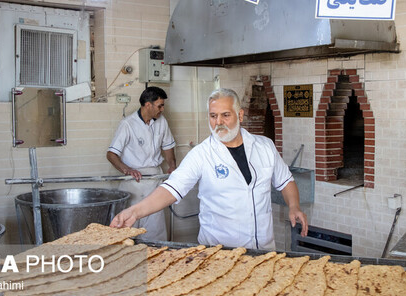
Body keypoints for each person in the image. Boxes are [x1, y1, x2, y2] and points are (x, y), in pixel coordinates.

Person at [111, 88, 308, 250]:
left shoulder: (264, 146)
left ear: (240, 115)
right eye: (213, 116)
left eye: (225, 115)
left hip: (263, 249)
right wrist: (135, 212)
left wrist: (294, 205)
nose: (218, 122)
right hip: (219, 252)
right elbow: (172, 188)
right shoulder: (202, 154)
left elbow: (285, 180)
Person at [107, 86, 176, 241]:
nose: (162, 109)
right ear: (147, 105)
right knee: (130, 228)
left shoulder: (162, 122)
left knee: (156, 228)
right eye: (159, 106)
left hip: (154, 180)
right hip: (134, 183)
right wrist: (127, 170)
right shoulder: (128, 124)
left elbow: (168, 147)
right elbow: (111, 154)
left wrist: (172, 166)